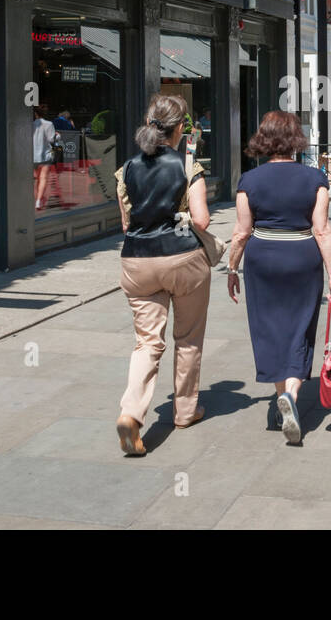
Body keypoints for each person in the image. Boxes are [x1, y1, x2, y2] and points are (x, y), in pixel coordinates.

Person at [227, 111, 331, 445]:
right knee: (300, 326)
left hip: (263, 258)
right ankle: (291, 392)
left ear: (263, 139)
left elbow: (240, 232)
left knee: (269, 327)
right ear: (295, 140)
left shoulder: (249, 181)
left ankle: (282, 397)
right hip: (302, 256)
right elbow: (322, 230)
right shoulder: (315, 178)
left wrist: (232, 269)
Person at [114, 94, 213, 456]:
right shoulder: (188, 166)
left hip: (137, 262)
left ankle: (131, 414)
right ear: (181, 128)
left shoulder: (126, 168)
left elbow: (126, 223)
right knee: (187, 337)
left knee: (147, 343)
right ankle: (185, 411)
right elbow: (201, 220)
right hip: (182, 258)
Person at [32, 106, 59, 210]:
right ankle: (38, 200)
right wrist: (58, 136)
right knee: (43, 178)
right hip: (45, 155)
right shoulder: (49, 124)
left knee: (38, 179)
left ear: (36, 114)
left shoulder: (31, 125)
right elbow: (52, 139)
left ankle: (38, 198)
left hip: (33, 156)